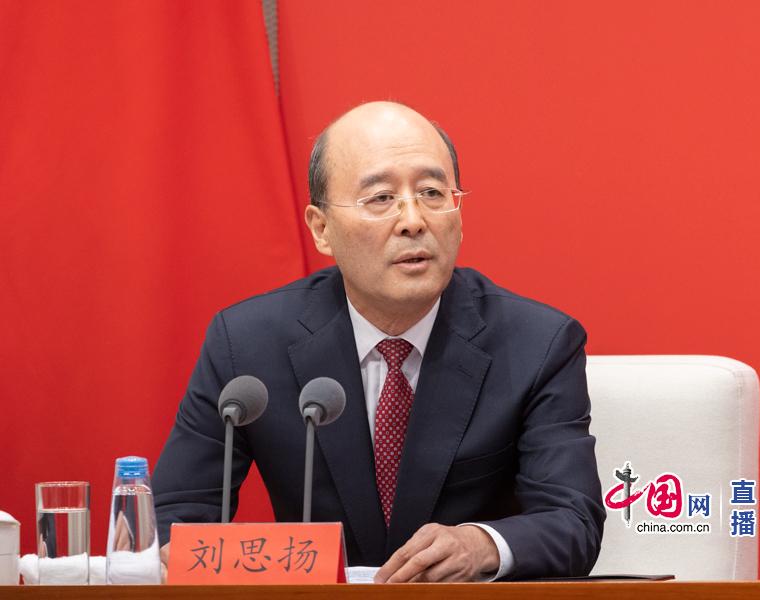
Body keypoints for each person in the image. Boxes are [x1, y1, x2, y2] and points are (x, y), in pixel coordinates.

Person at [153, 101, 605, 582]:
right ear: (322, 229)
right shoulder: (246, 343)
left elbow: (572, 520)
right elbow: (175, 514)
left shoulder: (537, 344)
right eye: (381, 198)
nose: (413, 220)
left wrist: (481, 544)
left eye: (432, 193)